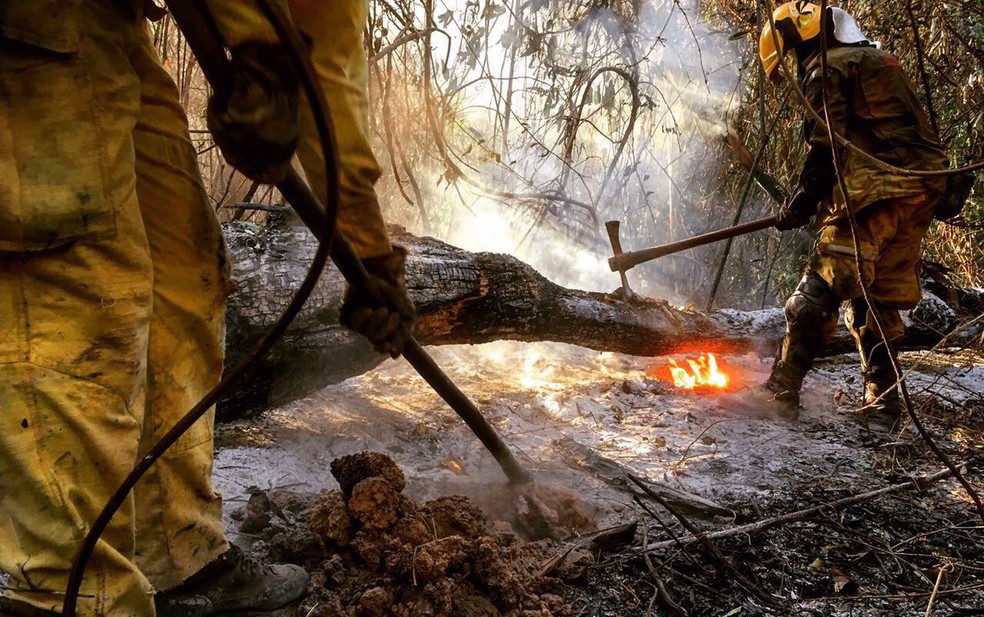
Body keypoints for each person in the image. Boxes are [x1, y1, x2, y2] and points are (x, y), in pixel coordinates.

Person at [0, 0, 413, 615]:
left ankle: (176, 553)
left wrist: (367, 252)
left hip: (108, 25)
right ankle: (71, 589)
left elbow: (325, 46)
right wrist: (262, 50)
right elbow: (318, 38)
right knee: (78, 292)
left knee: (186, 275)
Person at [755, 2, 947, 423]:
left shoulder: (829, 67)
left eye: (789, 54)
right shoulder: (877, 58)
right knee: (873, 298)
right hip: (922, 191)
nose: (795, 64)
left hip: (875, 191)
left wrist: (800, 204)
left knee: (815, 293)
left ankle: (780, 392)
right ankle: (883, 405)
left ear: (801, 37)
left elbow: (826, 148)